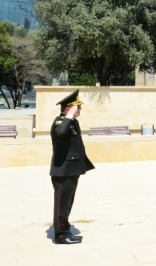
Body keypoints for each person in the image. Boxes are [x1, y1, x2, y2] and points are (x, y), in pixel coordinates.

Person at [50, 89, 94, 245]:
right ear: (68, 108)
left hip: (71, 169)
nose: (80, 110)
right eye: (77, 107)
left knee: (67, 202)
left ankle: (65, 229)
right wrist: (69, 114)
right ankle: (60, 235)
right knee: (62, 203)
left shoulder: (72, 122)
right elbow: (61, 132)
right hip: (63, 170)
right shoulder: (60, 122)